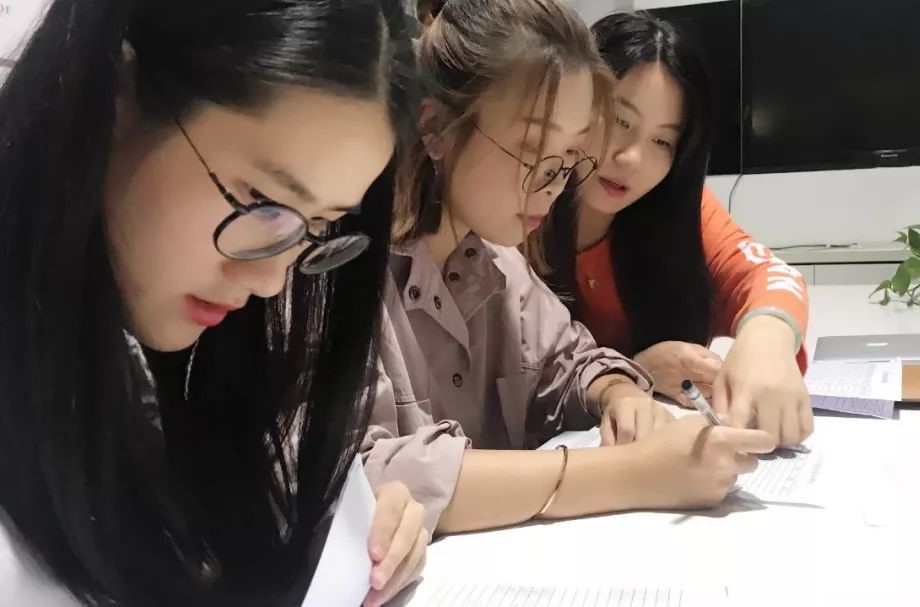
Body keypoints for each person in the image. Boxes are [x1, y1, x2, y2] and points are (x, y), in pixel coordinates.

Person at [0, 1, 428, 605]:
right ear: (118, 90)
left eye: (317, 226)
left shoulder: (183, 359)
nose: (272, 280)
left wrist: (345, 538)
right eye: (264, 203)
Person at [361, 0, 777, 537]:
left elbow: (571, 361)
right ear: (435, 126)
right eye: (534, 148)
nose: (554, 184)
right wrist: (630, 475)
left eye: (569, 156)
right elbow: (359, 479)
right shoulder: (344, 277)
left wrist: (619, 392)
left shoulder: (502, 264)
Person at [536, 11, 813, 447]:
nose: (632, 158)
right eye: (620, 121)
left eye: (662, 141)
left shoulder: (679, 211)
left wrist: (767, 337)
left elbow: (769, 275)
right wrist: (634, 370)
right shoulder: (517, 216)